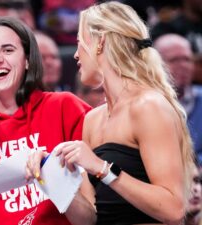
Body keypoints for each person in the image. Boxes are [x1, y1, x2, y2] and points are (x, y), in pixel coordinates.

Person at [26, 2, 195, 225]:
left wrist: (102, 169)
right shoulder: (92, 119)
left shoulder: (148, 106)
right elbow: (88, 219)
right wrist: (51, 178)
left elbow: (173, 209)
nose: (76, 55)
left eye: (79, 42)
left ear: (100, 42)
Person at [0, 17, 95, 225]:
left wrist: (52, 173)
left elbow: (99, 199)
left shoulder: (65, 107)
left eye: (8, 50)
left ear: (28, 60)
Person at [154, 34, 202, 164]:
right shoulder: (146, 104)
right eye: (174, 60)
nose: (183, 66)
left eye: (187, 59)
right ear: (156, 64)